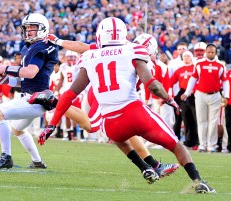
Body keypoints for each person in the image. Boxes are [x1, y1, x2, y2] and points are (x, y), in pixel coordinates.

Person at [38, 17, 216, 193]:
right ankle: (198, 181)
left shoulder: (91, 56)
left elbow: (69, 94)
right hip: (134, 111)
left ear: (101, 34)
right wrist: (170, 100)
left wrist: (52, 124)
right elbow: (152, 84)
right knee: (176, 145)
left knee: (118, 137)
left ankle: (147, 166)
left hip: (111, 120)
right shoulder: (134, 51)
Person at [45, 33, 180, 178]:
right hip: (105, 94)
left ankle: (152, 166)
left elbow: (84, 47)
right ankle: (53, 101)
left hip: (109, 94)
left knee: (129, 130)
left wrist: (59, 41)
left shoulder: (121, 47)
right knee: (92, 126)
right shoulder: (140, 58)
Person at [0, 13, 59, 169]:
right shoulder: (28, 48)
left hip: (36, 99)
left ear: (42, 29)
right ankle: (37, 162)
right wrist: (1, 79)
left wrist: (4, 68)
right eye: (27, 28)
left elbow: (30, 72)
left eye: (33, 27)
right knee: (17, 129)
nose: (29, 31)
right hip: (30, 96)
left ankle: (6, 157)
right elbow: (24, 81)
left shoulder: (42, 46)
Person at [181, 44, 230, 153]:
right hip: (200, 94)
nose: (210, 54)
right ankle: (202, 145)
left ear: (215, 53)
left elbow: (225, 82)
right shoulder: (198, 64)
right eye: (209, 52)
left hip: (215, 95)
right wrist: (187, 92)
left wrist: (226, 96)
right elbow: (193, 79)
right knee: (201, 120)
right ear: (205, 52)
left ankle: (211, 145)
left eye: (212, 52)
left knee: (213, 121)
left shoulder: (220, 65)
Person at [170, 51, 199, 150]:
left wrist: (193, 90)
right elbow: (171, 81)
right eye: (185, 56)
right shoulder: (179, 70)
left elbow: (199, 80)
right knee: (185, 118)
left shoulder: (195, 67)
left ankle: (196, 141)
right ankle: (187, 141)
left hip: (193, 94)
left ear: (191, 58)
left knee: (195, 118)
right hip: (182, 94)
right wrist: (171, 94)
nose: (186, 57)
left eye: (188, 56)